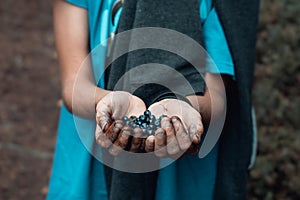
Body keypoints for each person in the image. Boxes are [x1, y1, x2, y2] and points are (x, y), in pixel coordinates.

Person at [47, 0, 259, 199]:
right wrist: (107, 102)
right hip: (87, 164)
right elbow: (73, 84)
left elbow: (217, 97)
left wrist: (183, 109)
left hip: (179, 177)